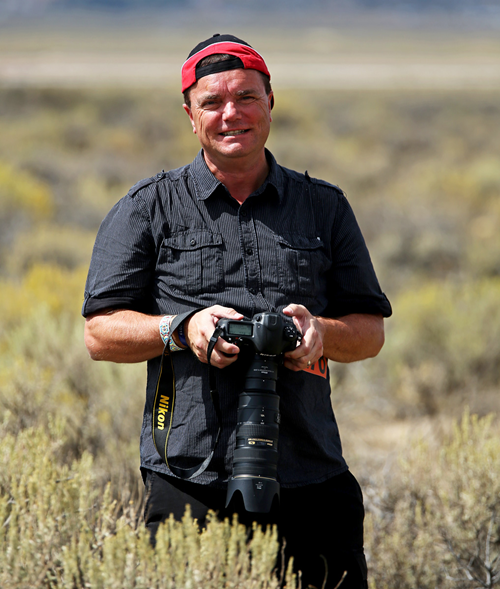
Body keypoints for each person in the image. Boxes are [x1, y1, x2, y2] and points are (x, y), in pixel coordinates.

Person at [82, 33, 392, 589]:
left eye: (247, 97)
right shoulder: (147, 208)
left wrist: (319, 332)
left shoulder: (325, 206)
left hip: (310, 473)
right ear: (189, 114)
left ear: (271, 101)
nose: (232, 114)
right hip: (188, 475)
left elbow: (369, 333)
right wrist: (181, 329)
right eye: (212, 102)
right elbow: (100, 334)